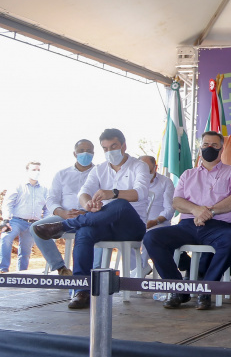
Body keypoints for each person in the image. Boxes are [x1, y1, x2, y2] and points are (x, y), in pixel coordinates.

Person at [33, 129, 149, 309]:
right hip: (104, 224)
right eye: (105, 148)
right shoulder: (99, 169)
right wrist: (87, 204)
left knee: (120, 204)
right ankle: (82, 290)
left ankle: (63, 225)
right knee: (85, 231)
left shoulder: (138, 165)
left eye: (114, 146)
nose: (109, 151)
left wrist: (113, 193)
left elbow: (140, 193)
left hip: (131, 226)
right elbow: (83, 192)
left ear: (124, 146)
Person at [143, 131, 231, 310]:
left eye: (214, 145)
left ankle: (205, 289)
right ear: (200, 148)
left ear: (222, 149)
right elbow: (177, 201)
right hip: (188, 226)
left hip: (219, 226)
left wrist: (210, 212)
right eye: (206, 144)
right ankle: (177, 288)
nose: (210, 148)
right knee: (152, 238)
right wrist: (196, 210)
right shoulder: (188, 174)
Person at [30, 140, 96, 276]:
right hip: (63, 217)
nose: (85, 153)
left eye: (89, 151)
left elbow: (105, 200)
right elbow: (51, 199)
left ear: (93, 154)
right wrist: (63, 212)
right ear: (74, 153)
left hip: (89, 217)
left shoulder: (99, 173)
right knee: (35, 228)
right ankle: (61, 268)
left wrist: (87, 210)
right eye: (82, 150)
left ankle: (93, 273)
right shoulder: (62, 174)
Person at [1, 162, 48, 273]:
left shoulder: (44, 189)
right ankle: (3, 269)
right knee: (5, 238)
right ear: (27, 171)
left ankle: (22, 273)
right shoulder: (18, 186)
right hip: (16, 221)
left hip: (33, 224)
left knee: (26, 251)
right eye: (33, 169)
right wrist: (6, 220)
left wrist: (45, 222)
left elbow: (48, 208)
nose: (36, 172)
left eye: (38, 170)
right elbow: (8, 203)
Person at [138, 155, 175, 274]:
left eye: (148, 170)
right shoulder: (133, 182)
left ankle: (142, 267)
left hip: (159, 223)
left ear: (155, 167)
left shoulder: (165, 182)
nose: (145, 173)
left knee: (150, 234)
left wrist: (155, 221)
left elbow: (169, 209)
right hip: (137, 222)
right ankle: (137, 266)